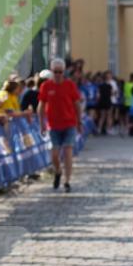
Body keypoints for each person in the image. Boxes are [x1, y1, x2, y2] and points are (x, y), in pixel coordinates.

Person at [37, 56, 83, 192]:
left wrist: (79, 122)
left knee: (68, 152)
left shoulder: (70, 85)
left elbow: (77, 104)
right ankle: (58, 171)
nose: (57, 74)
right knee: (55, 154)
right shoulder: (46, 86)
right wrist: (41, 123)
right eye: (55, 72)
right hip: (53, 125)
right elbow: (41, 106)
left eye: (60, 72)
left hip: (69, 124)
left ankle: (67, 181)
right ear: (51, 71)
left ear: (64, 72)